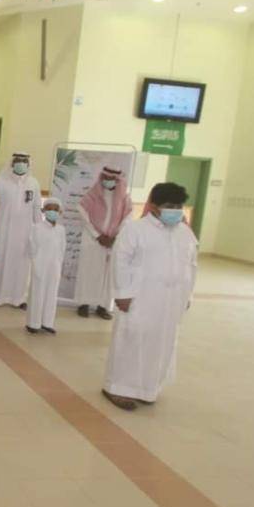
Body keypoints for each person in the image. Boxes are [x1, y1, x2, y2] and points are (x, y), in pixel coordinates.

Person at [103, 183, 198, 411]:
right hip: (140, 297)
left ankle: (147, 389)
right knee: (132, 339)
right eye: (170, 205)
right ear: (154, 206)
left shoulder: (185, 233)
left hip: (171, 300)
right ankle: (116, 388)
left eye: (179, 206)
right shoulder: (135, 230)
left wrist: (187, 295)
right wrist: (122, 294)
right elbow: (120, 260)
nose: (175, 210)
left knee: (161, 343)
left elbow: (192, 266)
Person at [76, 167, 133, 320]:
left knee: (107, 275)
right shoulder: (92, 194)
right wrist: (98, 235)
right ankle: (84, 304)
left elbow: (127, 218)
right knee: (88, 271)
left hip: (113, 241)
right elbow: (82, 213)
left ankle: (103, 306)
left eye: (112, 178)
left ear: (118, 180)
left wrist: (115, 237)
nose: (108, 180)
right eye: (106, 177)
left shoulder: (124, 198)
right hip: (92, 239)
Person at [0, 153, 41, 308]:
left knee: (22, 264)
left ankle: (19, 298)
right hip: (3, 230)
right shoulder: (1, 181)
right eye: (18, 161)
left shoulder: (34, 183)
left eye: (24, 161)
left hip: (24, 232)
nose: (21, 163)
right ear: (12, 163)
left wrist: (39, 231)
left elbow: (37, 208)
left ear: (28, 164)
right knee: (0, 261)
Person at [26, 198, 67, 335]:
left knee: (51, 294)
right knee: (37, 294)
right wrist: (36, 264)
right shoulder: (36, 228)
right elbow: (32, 248)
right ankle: (33, 323)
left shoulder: (61, 230)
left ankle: (47, 323)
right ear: (43, 211)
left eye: (55, 209)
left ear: (60, 212)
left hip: (54, 267)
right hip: (40, 265)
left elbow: (62, 249)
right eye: (49, 209)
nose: (52, 212)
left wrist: (59, 266)